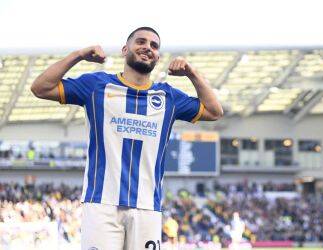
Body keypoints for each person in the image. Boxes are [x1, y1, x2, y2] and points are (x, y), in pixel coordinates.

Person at [30, 26, 223, 250]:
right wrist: (79, 55)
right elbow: (40, 88)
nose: (147, 48)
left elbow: (214, 111)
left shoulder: (168, 96)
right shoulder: (96, 86)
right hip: (101, 204)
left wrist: (191, 72)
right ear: (125, 49)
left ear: (158, 56)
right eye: (141, 42)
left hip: (147, 207)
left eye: (154, 45)